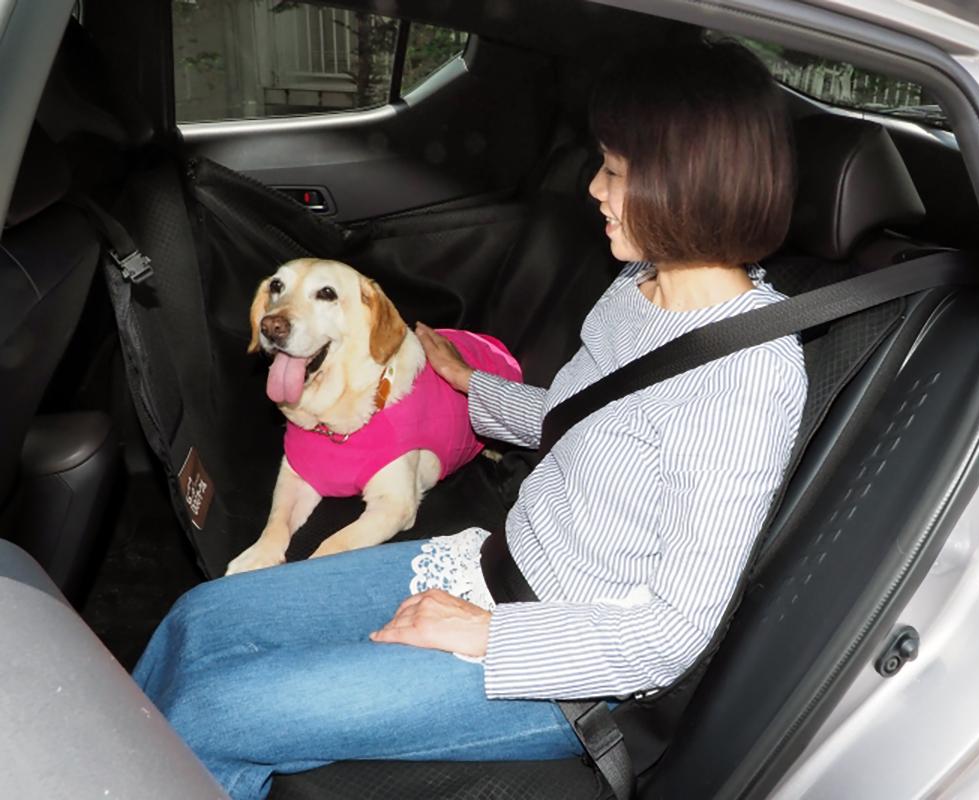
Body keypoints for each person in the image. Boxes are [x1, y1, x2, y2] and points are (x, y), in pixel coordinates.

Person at [133, 39, 808, 800]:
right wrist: (470, 389)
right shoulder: (639, 284)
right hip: (492, 563)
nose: (593, 187)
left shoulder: (747, 376)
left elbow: (672, 632)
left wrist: (482, 634)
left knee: (216, 711)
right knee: (202, 619)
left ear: (690, 185)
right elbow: (582, 423)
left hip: (564, 669)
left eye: (615, 172)